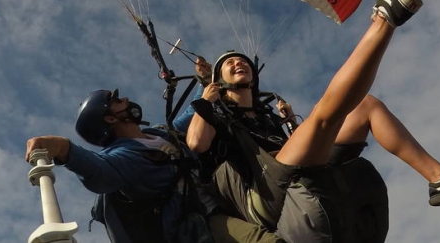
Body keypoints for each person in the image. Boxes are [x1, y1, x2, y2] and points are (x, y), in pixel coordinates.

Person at [186, 0, 440, 241]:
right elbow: (196, 146)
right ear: (218, 80)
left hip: (291, 172)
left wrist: (290, 126)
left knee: (365, 107)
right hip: (263, 197)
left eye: (242, 60)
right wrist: (206, 101)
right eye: (229, 63)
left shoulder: (268, 117)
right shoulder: (218, 117)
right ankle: (386, 17)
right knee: (325, 116)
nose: (238, 62)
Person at [26, 88, 287, 243]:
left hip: (219, 195)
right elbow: (100, 172)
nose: (125, 99)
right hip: (201, 224)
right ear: (109, 117)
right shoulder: (126, 158)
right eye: (117, 100)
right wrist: (64, 148)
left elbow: (186, 119)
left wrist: (202, 82)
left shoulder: (158, 135)